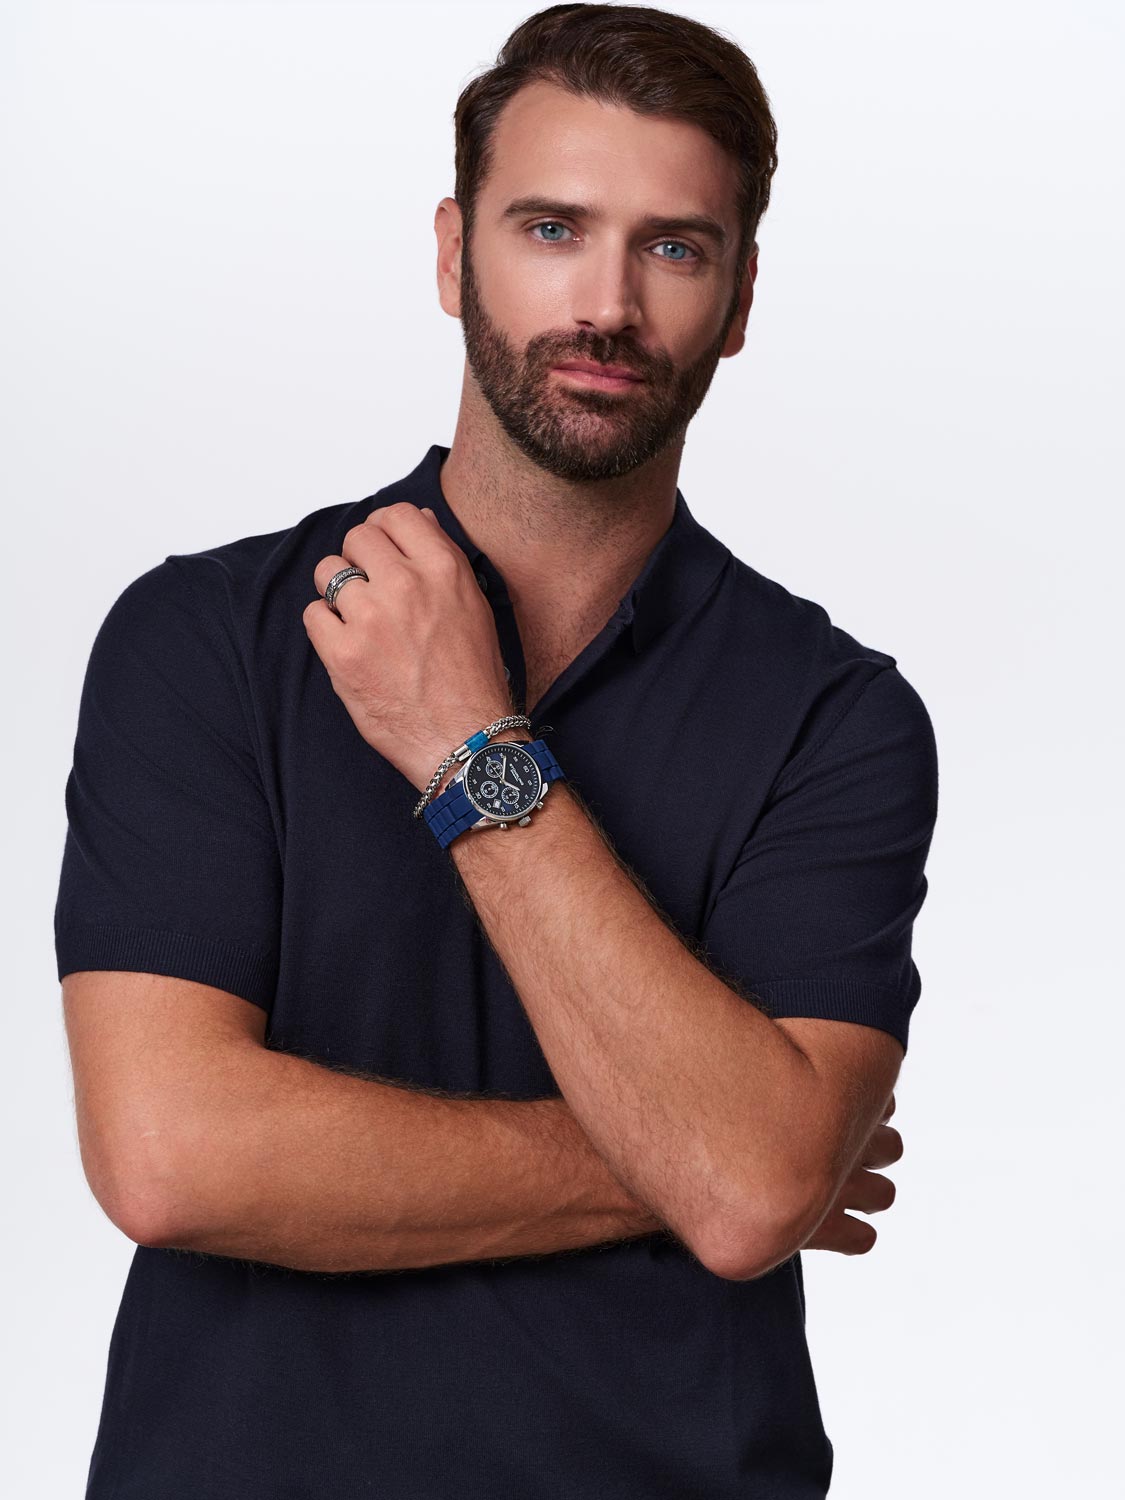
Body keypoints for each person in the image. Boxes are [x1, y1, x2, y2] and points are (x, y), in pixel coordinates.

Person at [55, 5, 938, 1496]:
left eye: (674, 247)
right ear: (453, 253)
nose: (607, 303)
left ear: (738, 300)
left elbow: (747, 1192)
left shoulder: (836, 716)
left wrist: (468, 743)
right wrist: (699, 1153)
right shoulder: (203, 637)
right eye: (551, 229)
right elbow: (167, 1156)